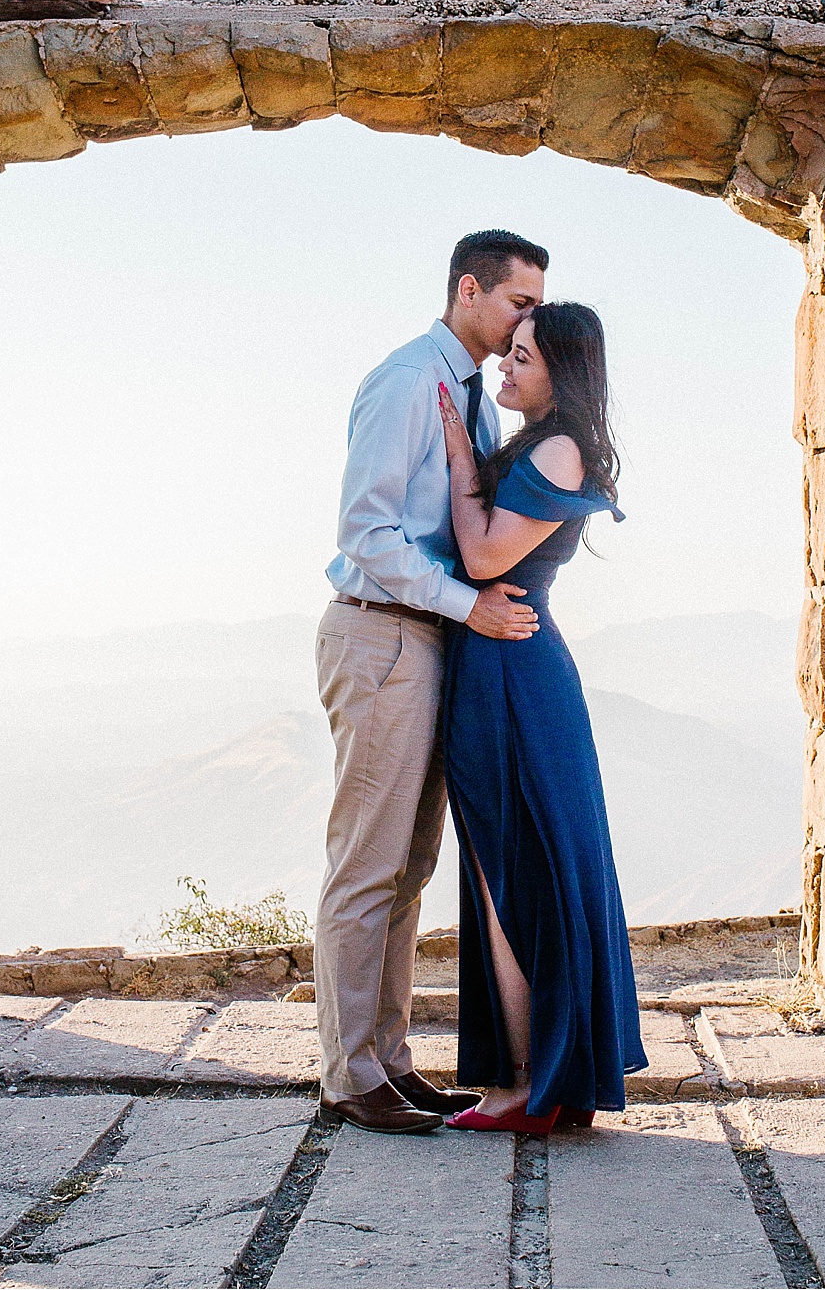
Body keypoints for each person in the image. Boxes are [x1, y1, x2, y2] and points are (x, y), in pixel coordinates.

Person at [314, 229, 550, 1135]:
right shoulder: (411, 379)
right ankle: (347, 1075)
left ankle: (390, 1062)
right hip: (381, 637)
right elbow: (365, 532)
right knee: (367, 863)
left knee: (409, 868)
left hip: (431, 642)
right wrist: (468, 602)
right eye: (518, 301)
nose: (529, 317)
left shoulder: (471, 399)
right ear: (469, 289)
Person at [435, 301, 646, 1134]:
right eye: (507, 352)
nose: (505, 367)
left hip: (514, 669)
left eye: (522, 356)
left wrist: (459, 455)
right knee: (513, 865)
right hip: (505, 660)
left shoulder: (556, 443)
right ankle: (540, 1076)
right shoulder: (542, 441)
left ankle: (527, 1084)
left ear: (560, 369)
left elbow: (486, 554)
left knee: (508, 870)